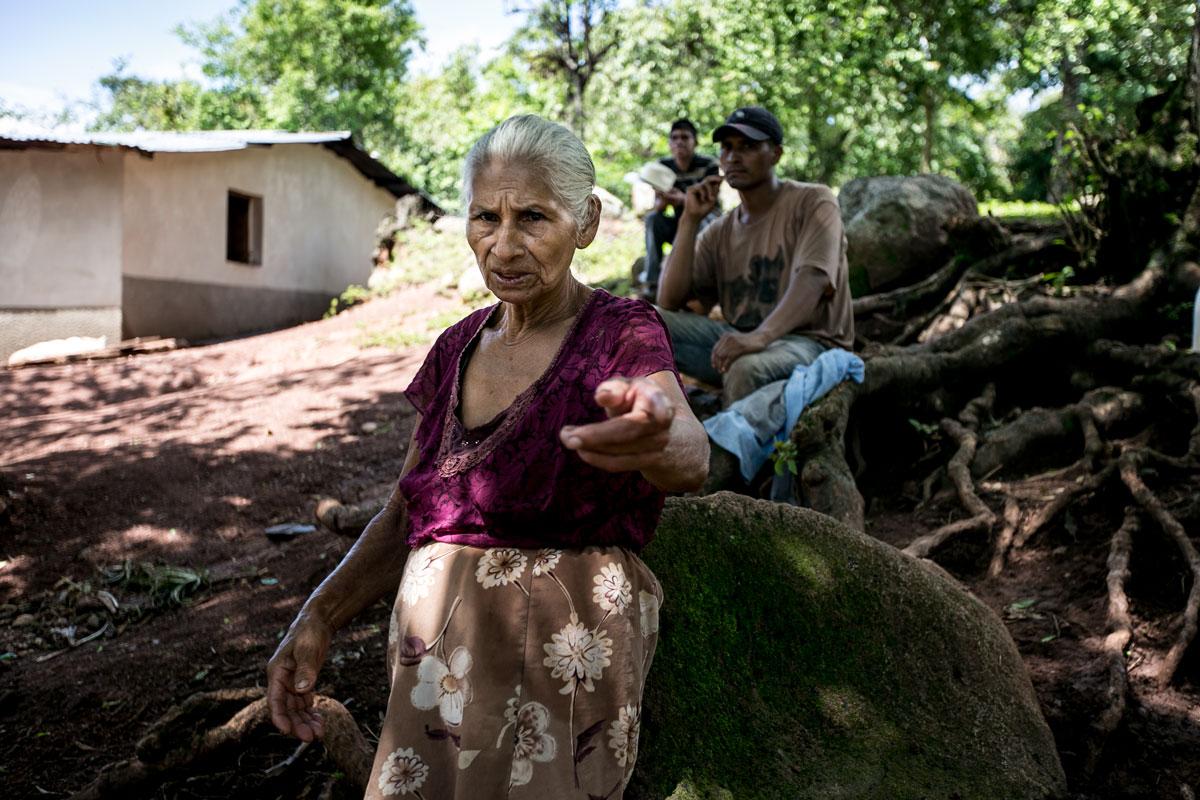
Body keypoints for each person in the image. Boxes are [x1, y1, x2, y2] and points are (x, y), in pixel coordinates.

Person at [266, 114, 709, 800]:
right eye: (485, 218)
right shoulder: (454, 347)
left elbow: (689, 452)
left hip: (565, 659)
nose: (503, 246)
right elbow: (406, 509)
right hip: (432, 667)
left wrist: (655, 435)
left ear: (586, 221)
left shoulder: (620, 331)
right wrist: (318, 614)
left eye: (533, 217)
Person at [655, 107, 854, 408]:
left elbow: (813, 279)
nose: (734, 157)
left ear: (775, 154)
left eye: (748, 146)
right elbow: (669, 301)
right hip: (740, 338)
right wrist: (689, 220)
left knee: (745, 370)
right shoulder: (719, 231)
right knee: (644, 324)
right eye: (727, 148)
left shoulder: (813, 201)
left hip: (810, 342)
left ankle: (732, 450)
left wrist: (760, 338)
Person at [641, 119, 720, 296]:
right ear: (669, 143)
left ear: (695, 142)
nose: (679, 142)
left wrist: (683, 200)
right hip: (678, 226)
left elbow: (711, 204)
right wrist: (663, 203)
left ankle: (700, 280)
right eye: (674, 138)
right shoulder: (662, 167)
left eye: (685, 137)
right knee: (652, 220)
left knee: (705, 220)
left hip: (706, 223)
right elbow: (657, 207)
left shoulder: (708, 165)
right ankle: (651, 282)